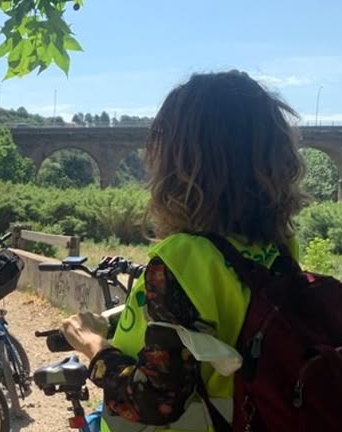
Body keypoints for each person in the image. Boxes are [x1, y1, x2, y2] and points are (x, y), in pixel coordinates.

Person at [60, 71, 308, 431]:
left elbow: (153, 401)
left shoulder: (182, 260)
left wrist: (93, 344)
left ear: (181, 164)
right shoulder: (280, 249)